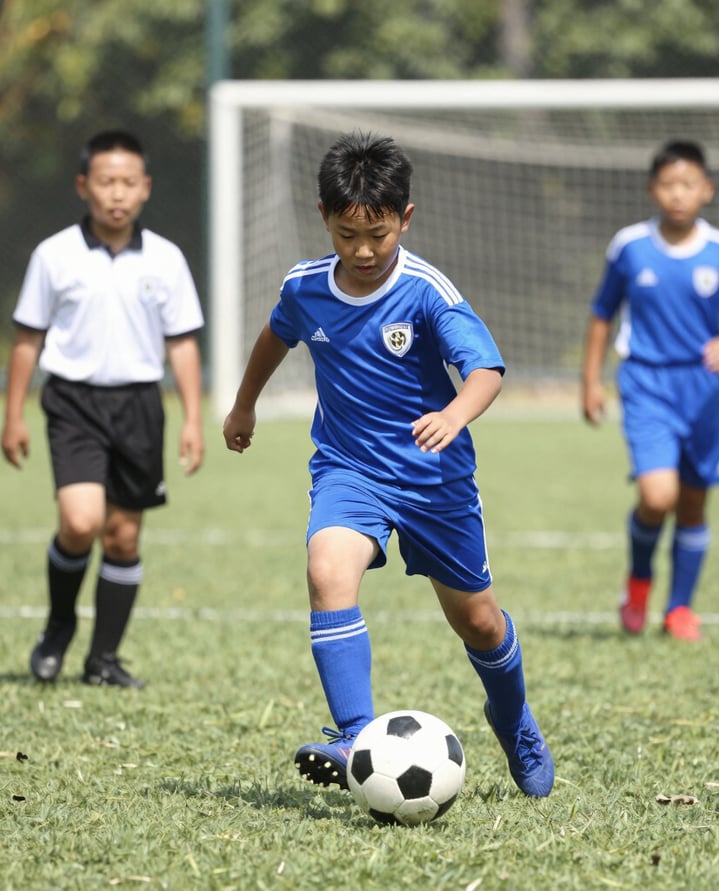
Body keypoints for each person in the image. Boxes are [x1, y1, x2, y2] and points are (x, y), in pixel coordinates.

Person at [223, 131, 554, 798]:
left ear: (405, 217)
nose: (364, 251)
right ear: (325, 217)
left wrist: (456, 414)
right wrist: (243, 406)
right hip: (349, 469)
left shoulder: (426, 289)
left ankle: (514, 718)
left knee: (481, 621)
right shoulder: (306, 287)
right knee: (326, 567)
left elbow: (485, 369)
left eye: (377, 234)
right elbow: (274, 336)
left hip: (435, 479)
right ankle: (353, 736)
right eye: (348, 235)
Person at [2, 130, 205, 687]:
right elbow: (27, 338)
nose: (117, 193)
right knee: (80, 521)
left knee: (122, 536)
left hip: (140, 404)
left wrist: (192, 419)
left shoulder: (165, 259)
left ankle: (103, 660)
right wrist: (13, 414)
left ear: (145, 189)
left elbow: (182, 343)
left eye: (128, 182)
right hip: (73, 401)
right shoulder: (54, 255)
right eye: (106, 181)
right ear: (83, 186)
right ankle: (59, 625)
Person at [581, 139, 719, 642]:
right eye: (667, 184)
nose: (677, 194)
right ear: (652, 190)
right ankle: (639, 582)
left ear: (706, 190)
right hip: (646, 382)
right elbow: (602, 313)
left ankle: (679, 609)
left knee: (694, 503)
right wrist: (591, 381)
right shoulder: (630, 246)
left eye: (687, 184)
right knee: (658, 495)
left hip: (701, 388)